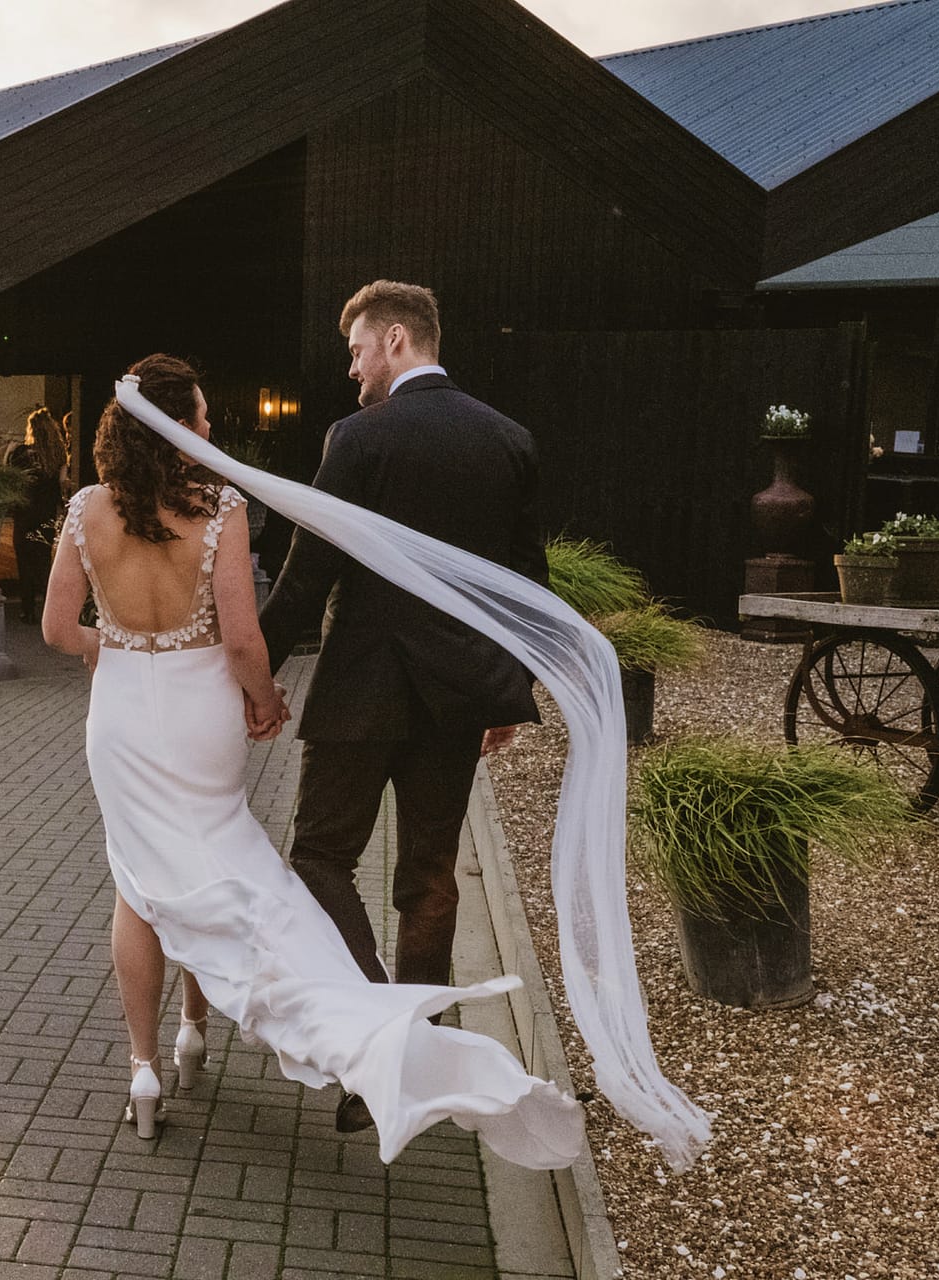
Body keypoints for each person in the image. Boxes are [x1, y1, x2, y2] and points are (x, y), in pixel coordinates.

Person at [43, 352, 582, 1168]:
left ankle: (148, 1069)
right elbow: (244, 636)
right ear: (172, 426)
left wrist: (108, 650)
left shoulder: (85, 510)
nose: (212, 430)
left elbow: (55, 630)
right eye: (201, 418)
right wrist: (263, 699)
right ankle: (229, 1029)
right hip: (201, 711)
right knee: (218, 860)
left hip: (120, 717)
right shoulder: (219, 509)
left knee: (141, 881)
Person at [257, 280, 548, 1133]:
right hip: (459, 697)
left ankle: (386, 1034)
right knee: (428, 880)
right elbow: (526, 583)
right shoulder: (510, 440)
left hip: (364, 690)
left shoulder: (359, 438)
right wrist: (510, 688)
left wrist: (247, 674)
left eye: (354, 353)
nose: (351, 374)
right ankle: (419, 1049)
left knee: (317, 856)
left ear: (393, 340)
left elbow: (309, 573)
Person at [8, 407, 68, 623]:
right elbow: (63, 484)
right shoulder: (58, 456)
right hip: (46, 514)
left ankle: (27, 609)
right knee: (43, 561)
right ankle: (50, 610)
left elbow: (12, 483)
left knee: (24, 562)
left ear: (31, 429)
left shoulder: (20, 454)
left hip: (24, 514)